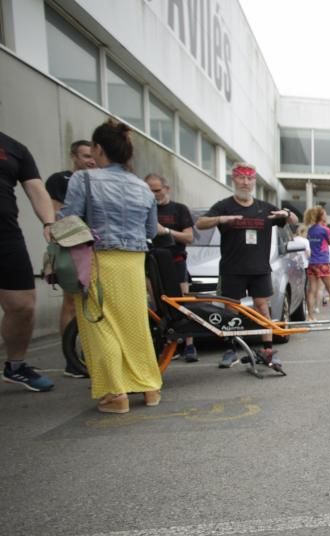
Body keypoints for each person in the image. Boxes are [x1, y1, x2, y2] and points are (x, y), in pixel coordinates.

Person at [58, 120, 161, 412]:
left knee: (101, 325)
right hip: (133, 262)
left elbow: (70, 220)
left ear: (99, 149)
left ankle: (117, 394)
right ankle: (149, 387)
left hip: (99, 260)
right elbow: (151, 231)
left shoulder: (84, 179)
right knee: (134, 326)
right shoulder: (143, 186)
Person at [196, 163, 297, 368]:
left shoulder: (264, 208)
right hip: (232, 269)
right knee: (231, 310)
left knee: (262, 307)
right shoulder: (224, 205)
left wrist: (286, 214)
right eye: (241, 178)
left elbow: (294, 220)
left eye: (249, 179)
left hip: (259, 269)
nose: (245, 182)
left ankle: (268, 350)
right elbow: (200, 223)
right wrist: (220, 219)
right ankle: (230, 349)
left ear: (254, 182)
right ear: (234, 179)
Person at [1, 132, 56, 392]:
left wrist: (48, 222)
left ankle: (15, 366)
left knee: (22, 305)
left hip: (6, 234)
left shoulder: (15, 148)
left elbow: (35, 188)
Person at [45, 139, 97, 377]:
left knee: (96, 300)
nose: (90, 160)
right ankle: (71, 359)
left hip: (98, 246)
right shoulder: (60, 180)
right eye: (85, 156)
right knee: (71, 301)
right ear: (74, 156)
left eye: (93, 155)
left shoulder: (98, 180)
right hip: (72, 246)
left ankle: (91, 353)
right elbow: (56, 214)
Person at [145, 173, 197, 362]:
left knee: (182, 302)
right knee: (157, 304)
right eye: (149, 190)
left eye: (157, 190)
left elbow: (189, 237)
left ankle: (189, 346)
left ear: (166, 189)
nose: (153, 194)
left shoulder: (179, 209)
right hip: (151, 263)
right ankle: (166, 345)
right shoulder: (144, 208)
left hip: (175, 261)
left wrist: (166, 231)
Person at [303, 206, 330, 322]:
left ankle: (310, 317)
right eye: (325, 214)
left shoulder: (310, 230)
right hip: (323, 262)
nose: (326, 215)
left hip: (312, 263)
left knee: (311, 290)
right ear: (321, 216)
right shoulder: (324, 229)